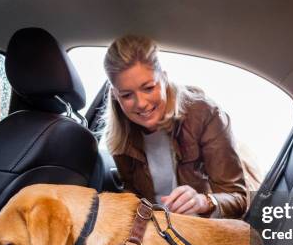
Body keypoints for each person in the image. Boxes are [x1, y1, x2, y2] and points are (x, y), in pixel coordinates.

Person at [101, 34, 249, 218]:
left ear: (164, 78)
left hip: (204, 228)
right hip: (156, 231)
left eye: (148, 88)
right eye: (127, 95)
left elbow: (239, 198)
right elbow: (132, 195)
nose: (141, 103)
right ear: (115, 94)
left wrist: (203, 202)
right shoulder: (119, 137)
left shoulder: (205, 114)